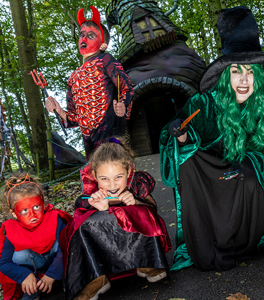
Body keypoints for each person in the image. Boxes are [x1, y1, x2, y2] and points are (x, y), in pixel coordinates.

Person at [159, 6, 264, 272]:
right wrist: (183, 136)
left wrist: (249, 164)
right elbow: (172, 147)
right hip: (216, 184)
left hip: (258, 190)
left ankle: (247, 237)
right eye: (235, 71)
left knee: (248, 174)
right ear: (224, 76)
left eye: (251, 72)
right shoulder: (204, 104)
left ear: (261, 77)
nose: (243, 80)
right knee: (188, 162)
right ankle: (212, 237)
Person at [61, 136, 171, 300]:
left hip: (133, 242)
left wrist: (135, 202)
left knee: (142, 213)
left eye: (118, 177)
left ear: (128, 171)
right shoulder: (91, 191)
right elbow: (79, 208)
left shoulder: (137, 183)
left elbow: (153, 210)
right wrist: (96, 207)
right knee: (84, 224)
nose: (112, 185)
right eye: (104, 179)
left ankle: (147, 263)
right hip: (104, 247)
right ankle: (97, 277)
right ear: (95, 176)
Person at [45, 6, 135, 159]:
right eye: (82, 35)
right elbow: (74, 118)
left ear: (103, 44)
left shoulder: (105, 60)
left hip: (111, 134)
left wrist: (123, 105)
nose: (83, 39)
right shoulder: (73, 78)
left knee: (115, 171)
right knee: (96, 176)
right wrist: (58, 109)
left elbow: (127, 87)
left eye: (91, 35)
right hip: (90, 144)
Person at [0, 173, 72, 300]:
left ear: (43, 204)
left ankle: (68, 280)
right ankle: (34, 288)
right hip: (34, 271)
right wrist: (25, 275)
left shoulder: (54, 218)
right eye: (24, 211)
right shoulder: (12, 230)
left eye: (36, 207)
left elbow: (66, 248)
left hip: (60, 262)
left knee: (63, 243)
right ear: (14, 213)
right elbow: (4, 263)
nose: (32, 214)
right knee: (19, 254)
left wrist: (51, 274)